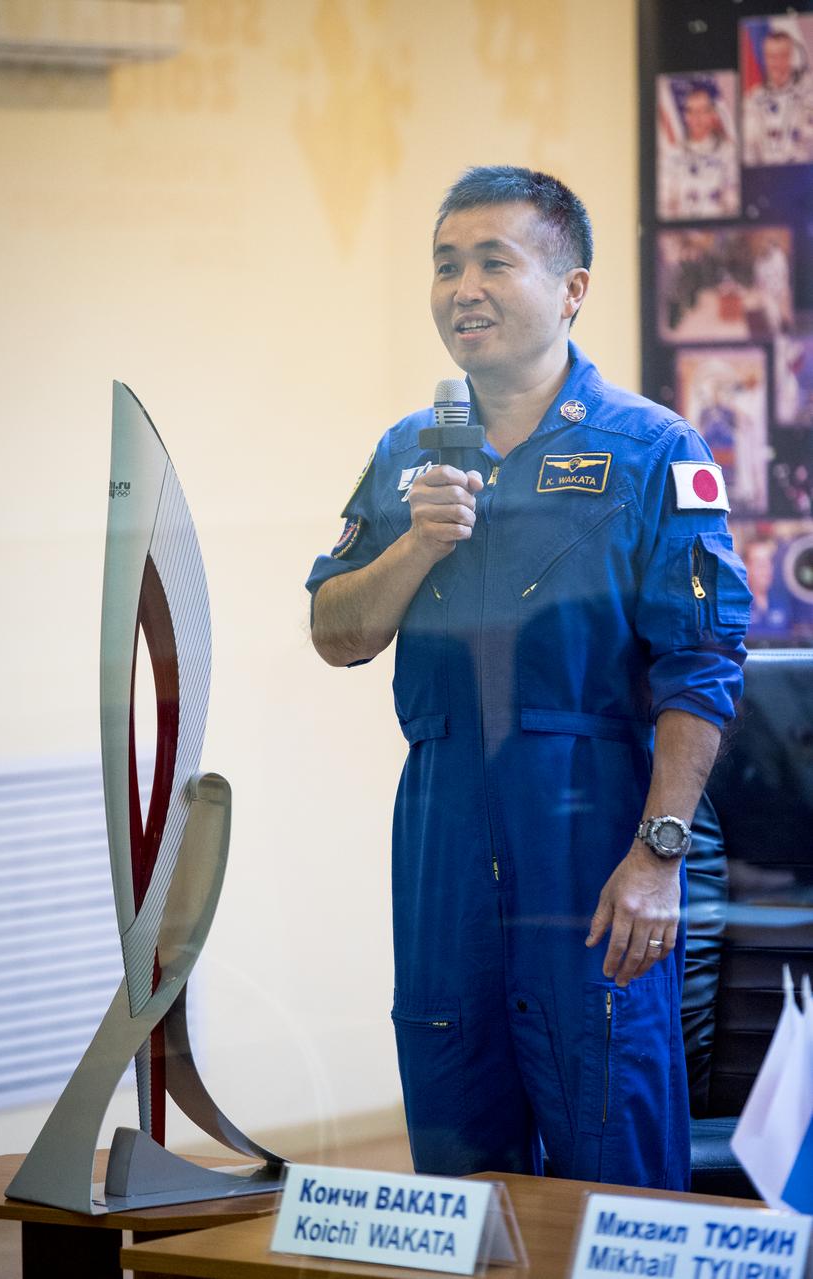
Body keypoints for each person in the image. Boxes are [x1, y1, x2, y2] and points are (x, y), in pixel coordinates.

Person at [306, 166, 751, 1189]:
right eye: (444, 265)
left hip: (589, 823)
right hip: (440, 822)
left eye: (491, 262)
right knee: (458, 1160)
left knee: (613, 1151)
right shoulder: (406, 455)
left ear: (570, 288)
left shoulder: (650, 450)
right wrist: (413, 548)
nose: (461, 287)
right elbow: (335, 631)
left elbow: (701, 668)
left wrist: (656, 857)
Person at [658, 84, 739, 220]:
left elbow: (734, 203)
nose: (696, 118)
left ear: (713, 114)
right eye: (691, 111)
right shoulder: (672, 155)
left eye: (702, 111)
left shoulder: (728, 153)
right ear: (686, 116)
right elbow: (665, 203)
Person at [742, 27, 813, 166]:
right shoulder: (753, 99)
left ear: (791, 56)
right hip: (766, 177)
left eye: (783, 56)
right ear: (765, 58)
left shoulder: (808, 93)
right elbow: (748, 148)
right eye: (772, 57)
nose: (777, 63)